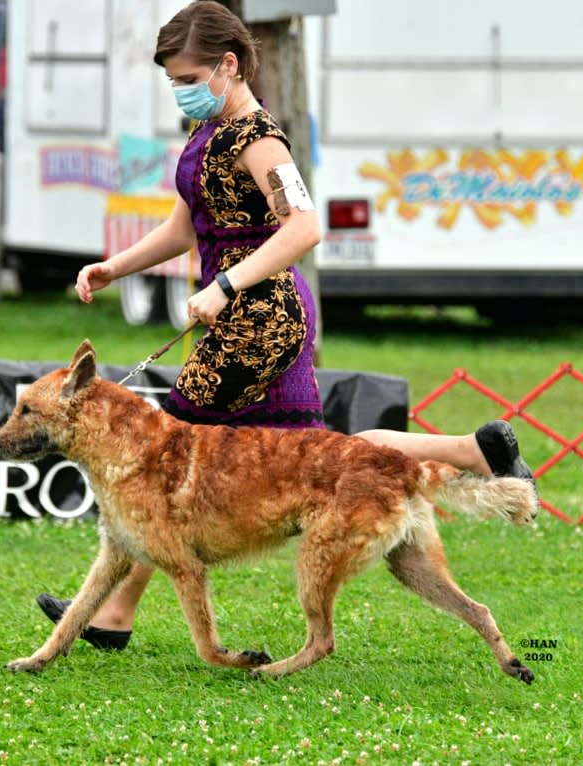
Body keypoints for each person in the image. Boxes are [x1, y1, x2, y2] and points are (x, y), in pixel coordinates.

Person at [35, 0, 536, 650]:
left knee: (162, 458)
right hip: (237, 310)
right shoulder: (206, 132)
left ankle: (112, 615)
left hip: (259, 319)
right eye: (173, 82)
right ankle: (469, 451)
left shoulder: (260, 140)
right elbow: (185, 227)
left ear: (228, 65)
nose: (181, 91)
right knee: (319, 451)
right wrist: (116, 267)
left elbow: (306, 227)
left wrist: (225, 284)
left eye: (188, 78)